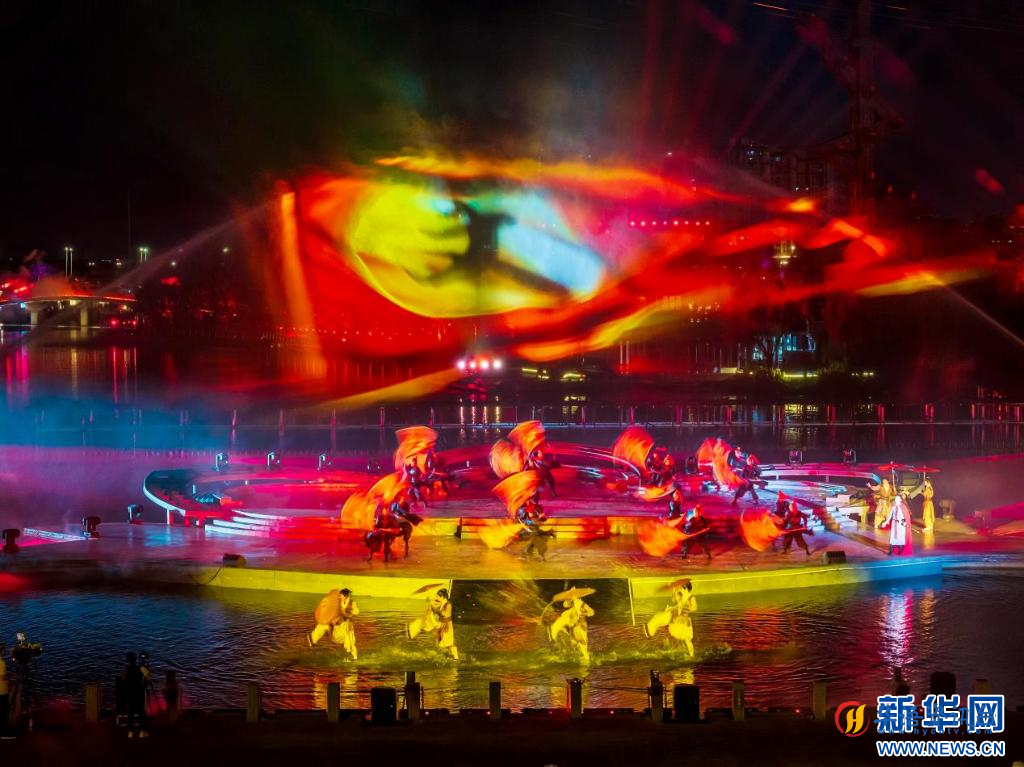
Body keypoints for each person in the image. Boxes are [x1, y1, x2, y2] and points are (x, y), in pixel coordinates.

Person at [644, 581, 698, 656]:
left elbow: (695, 607)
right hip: (676, 617)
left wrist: (689, 607)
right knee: (665, 624)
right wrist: (673, 590)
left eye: (681, 587)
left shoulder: (691, 597)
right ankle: (652, 630)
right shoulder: (681, 596)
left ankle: (692, 655)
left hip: (683, 620)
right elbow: (674, 600)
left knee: (687, 639)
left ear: (685, 588)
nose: (680, 589)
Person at [307, 588, 360, 659]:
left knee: (351, 643)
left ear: (345, 596)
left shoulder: (352, 603)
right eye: (339, 595)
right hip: (335, 628)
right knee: (324, 625)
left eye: (341, 596)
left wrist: (347, 611)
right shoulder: (338, 602)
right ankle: (312, 639)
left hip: (344, 629)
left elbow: (356, 612)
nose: (339, 597)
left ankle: (355, 658)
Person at [407, 588, 458, 660]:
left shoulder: (448, 605)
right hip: (441, 624)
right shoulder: (442, 603)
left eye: (438, 596)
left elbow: (445, 614)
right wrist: (430, 602)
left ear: (442, 597)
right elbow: (435, 608)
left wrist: (436, 610)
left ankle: (455, 657)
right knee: (441, 641)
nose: (436, 598)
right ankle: (449, 655)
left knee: (449, 642)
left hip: (446, 625)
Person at [549, 597, 595, 663]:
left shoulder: (583, 604)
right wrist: (569, 599)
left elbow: (592, 612)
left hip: (581, 626)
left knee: (582, 644)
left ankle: (586, 659)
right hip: (572, 623)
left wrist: (585, 614)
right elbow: (565, 605)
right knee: (573, 640)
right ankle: (556, 635)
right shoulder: (573, 602)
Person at [516, 493, 552, 560]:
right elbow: (521, 520)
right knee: (532, 538)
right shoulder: (523, 512)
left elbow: (541, 516)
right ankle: (528, 552)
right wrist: (526, 527)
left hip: (532, 526)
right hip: (528, 525)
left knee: (535, 538)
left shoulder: (536, 509)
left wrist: (540, 517)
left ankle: (532, 552)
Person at [123, 652, 148, 738]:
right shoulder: (141, 668)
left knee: (130, 713)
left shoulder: (127, 670)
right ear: (135, 659)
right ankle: (142, 731)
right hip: (139, 693)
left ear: (127, 660)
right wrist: (144, 667)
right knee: (141, 712)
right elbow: (148, 676)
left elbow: (124, 681)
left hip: (130, 694)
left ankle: (130, 732)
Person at [0, 642, 9, 739]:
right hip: (2, 692)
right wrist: (11, 676)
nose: (5, 651)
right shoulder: (2, 663)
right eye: (3, 650)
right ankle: (3, 733)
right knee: (3, 713)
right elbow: (2, 678)